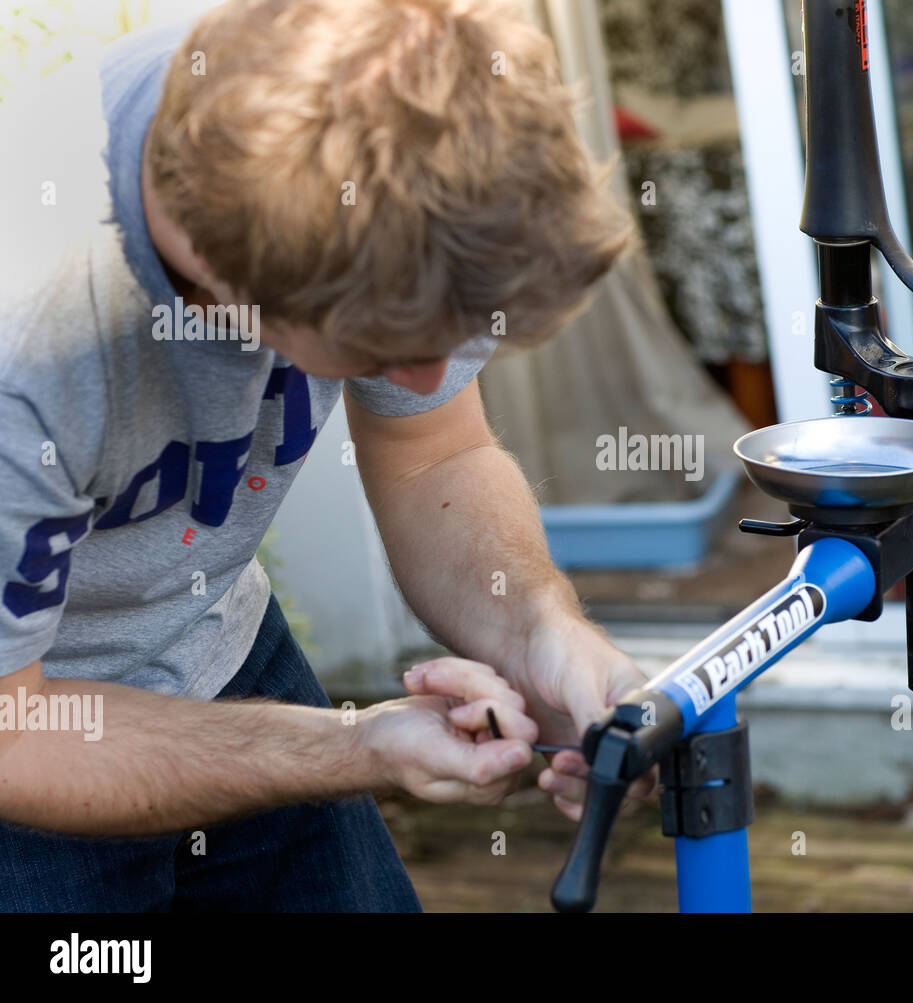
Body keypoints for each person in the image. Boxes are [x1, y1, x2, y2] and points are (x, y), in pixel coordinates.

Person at [0, 0, 653, 912]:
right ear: (227, 286)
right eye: (384, 349)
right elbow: (15, 735)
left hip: (219, 646)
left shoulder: (379, 120)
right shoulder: (27, 331)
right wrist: (357, 747)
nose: (425, 373)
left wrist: (545, 636)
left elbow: (434, 452)